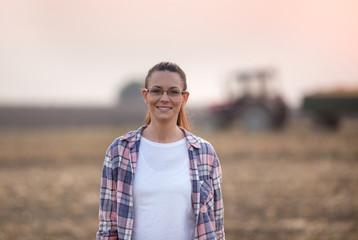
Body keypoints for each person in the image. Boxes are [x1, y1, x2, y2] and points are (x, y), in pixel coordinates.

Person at [96, 62, 225, 240]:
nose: (164, 98)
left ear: (184, 97)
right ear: (145, 95)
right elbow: (107, 228)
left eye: (173, 92)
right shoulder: (119, 151)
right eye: (157, 91)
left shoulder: (205, 153)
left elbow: (216, 228)